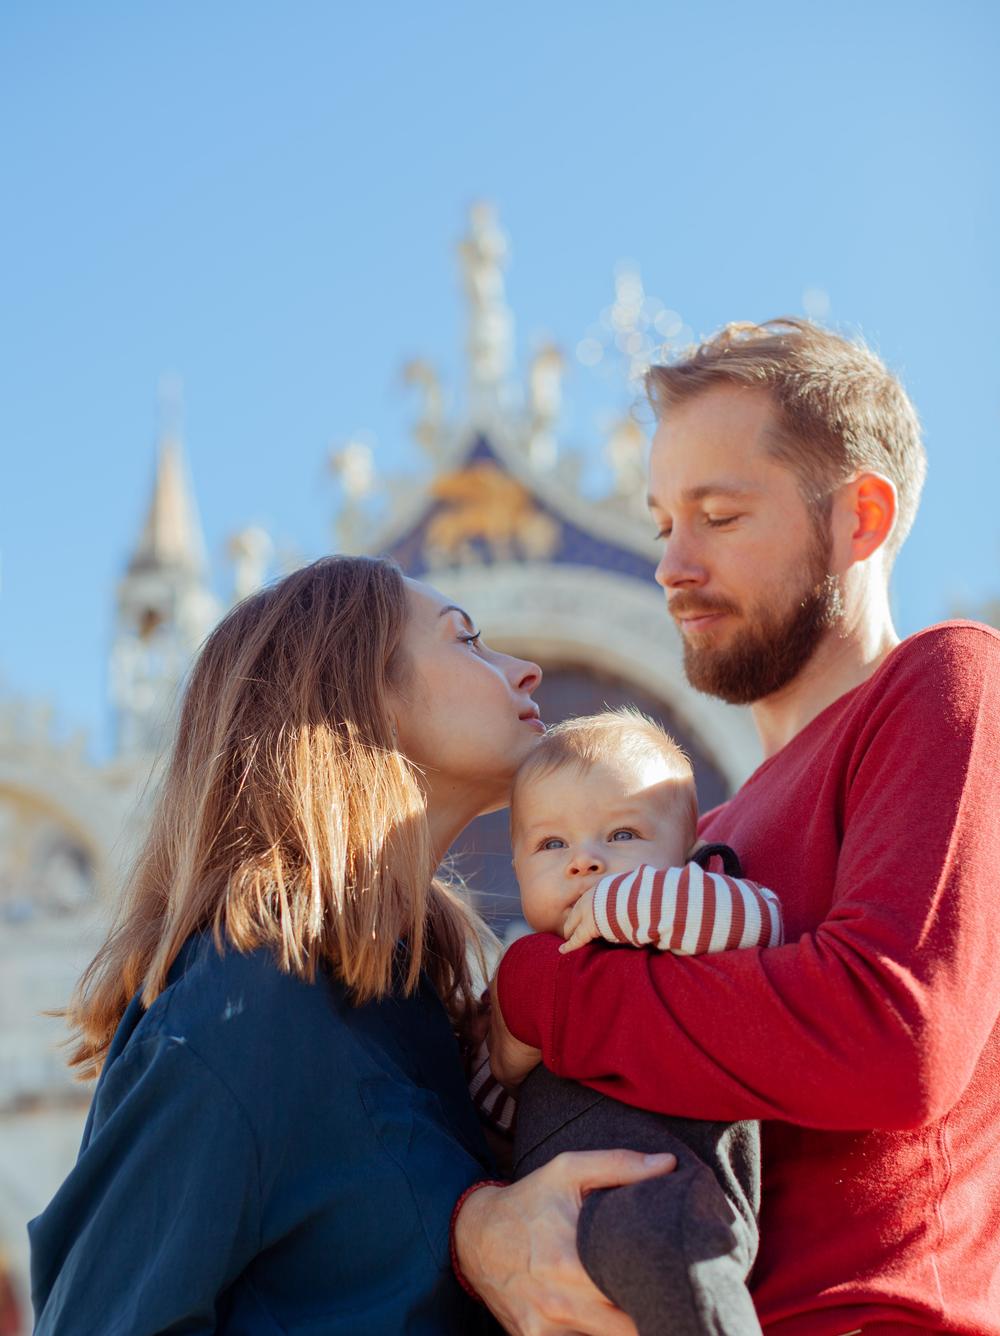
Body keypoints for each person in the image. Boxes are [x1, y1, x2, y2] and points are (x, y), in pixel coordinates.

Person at [488, 319, 1000, 1334]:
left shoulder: (947, 685)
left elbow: (892, 1038)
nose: (672, 565)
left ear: (859, 517)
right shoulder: (698, 827)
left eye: (718, 516)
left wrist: (533, 989)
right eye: (661, 522)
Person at [29, 556, 676, 1335]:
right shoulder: (239, 1003)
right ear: (359, 694)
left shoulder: (424, 1004)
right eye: (467, 640)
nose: (528, 670)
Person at [471, 708, 782, 1336]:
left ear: (688, 855)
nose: (584, 861)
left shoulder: (697, 908)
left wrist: (618, 903)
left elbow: (761, 920)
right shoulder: (519, 969)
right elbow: (492, 1096)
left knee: (678, 1268)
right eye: (551, 844)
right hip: (555, 1219)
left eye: (620, 835)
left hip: (669, 1183)